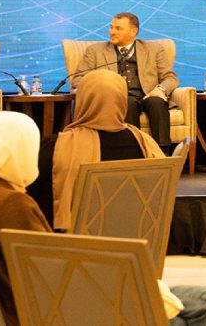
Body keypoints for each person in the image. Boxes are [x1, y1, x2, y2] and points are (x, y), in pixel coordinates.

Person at [0, 111, 206, 326]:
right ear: (18, 152)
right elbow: (56, 279)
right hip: (63, 312)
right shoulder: (10, 204)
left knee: (203, 299)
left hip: (38, 307)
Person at [28, 69, 166, 229]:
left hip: (72, 241)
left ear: (82, 100)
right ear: (122, 100)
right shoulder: (147, 146)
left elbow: (31, 199)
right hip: (136, 237)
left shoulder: (55, 147)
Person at [71, 12, 178, 149]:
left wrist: (160, 90)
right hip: (118, 99)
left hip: (148, 95)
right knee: (128, 103)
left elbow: (170, 78)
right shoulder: (95, 51)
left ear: (133, 31)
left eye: (118, 28)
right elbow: (78, 80)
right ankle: (133, 151)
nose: (112, 32)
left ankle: (163, 152)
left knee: (157, 102)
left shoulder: (154, 49)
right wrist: (103, 87)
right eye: (111, 27)